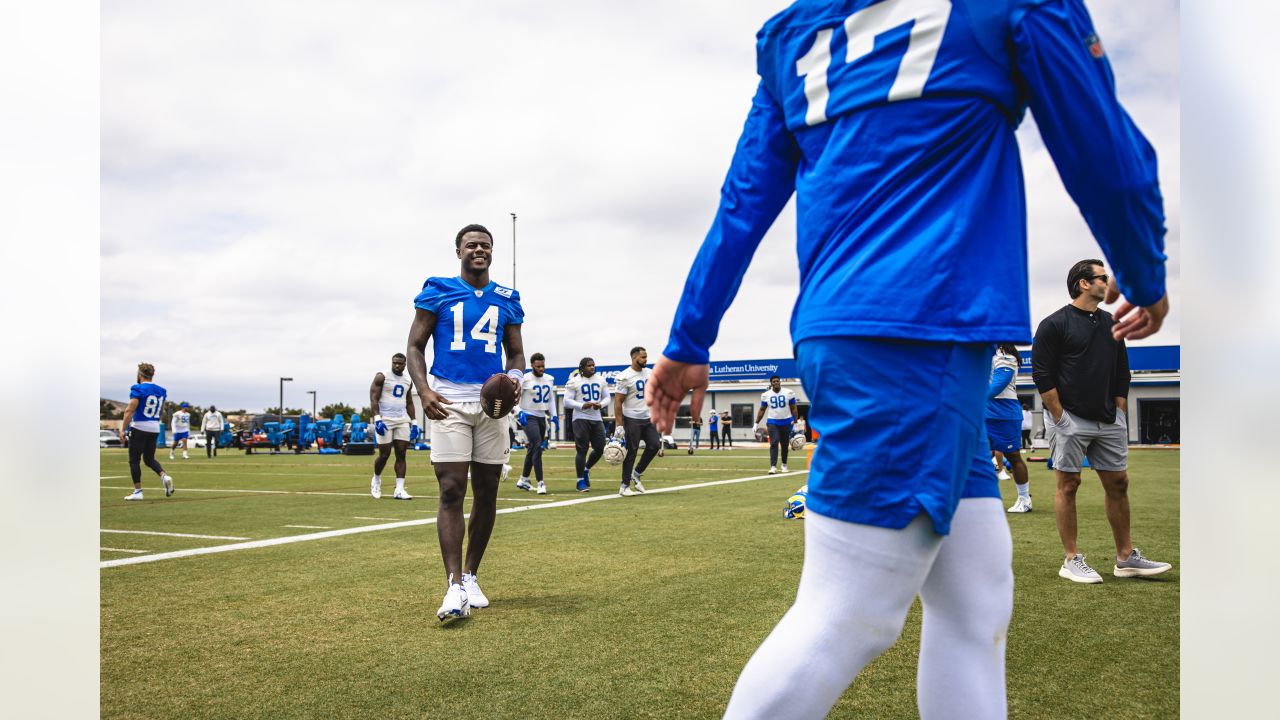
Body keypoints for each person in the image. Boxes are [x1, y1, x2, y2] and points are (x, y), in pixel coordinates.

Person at [644, 1, 1169, 716]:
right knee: (850, 611)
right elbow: (1105, 152)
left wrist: (689, 338)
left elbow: (743, 200)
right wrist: (1145, 272)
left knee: (977, 596)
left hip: (861, 331)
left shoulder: (798, 29)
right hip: (919, 333)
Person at [406, 223, 526, 622]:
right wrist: (423, 391)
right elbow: (415, 347)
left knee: (488, 490)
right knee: (452, 488)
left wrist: (515, 381)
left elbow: (515, 353)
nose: (479, 250)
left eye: (485, 246)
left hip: (491, 404)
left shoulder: (508, 298)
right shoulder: (437, 289)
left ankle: (472, 574)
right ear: (458, 251)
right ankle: (453, 585)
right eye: (472, 245)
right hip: (449, 399)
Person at [1033, 259, 1172, 584]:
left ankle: (1125, 558)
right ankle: (1071, 559)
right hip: (1070, 419)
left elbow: (1121, 371)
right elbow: (1042, 374)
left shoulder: (1112, 323)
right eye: (1101, 278)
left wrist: (1120, 412)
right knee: (1068, 485)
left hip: (1108, 420)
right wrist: (1059, 417)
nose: (1108, 283)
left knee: (1119, 484)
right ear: (1083, 283)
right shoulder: (1054, 324)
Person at [119, 362, 174, 500]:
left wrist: (123, 429)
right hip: (154, 427)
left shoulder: (138, 388)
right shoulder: (161, 390)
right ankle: (164, 476)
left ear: (140, 374)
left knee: (134, 460)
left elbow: (130, 409)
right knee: (149, 459)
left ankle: (138, 492)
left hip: (139, 427)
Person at [988, 344, 1032, 513]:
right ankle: (981, 499)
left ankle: (1024, 498)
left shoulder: (1005, 355)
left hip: (1003, 413)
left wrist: (971, 397)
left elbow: (998, 384)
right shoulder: (983, 351)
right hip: (982, 411)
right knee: (976, 456)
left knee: (1013, 456)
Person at [612, 346, 661, 497]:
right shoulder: (625, 376)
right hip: (631, 418)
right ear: (634, 358)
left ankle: (637, 472)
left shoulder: (650, 373)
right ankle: (624, 486)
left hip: (647, 417)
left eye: (646, 357)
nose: (646, 360)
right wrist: (619, 424)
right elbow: (618, 401)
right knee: (631, 452)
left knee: (654, 445)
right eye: (643, 357)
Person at [369, 352, 418, 500]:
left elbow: (409, 402)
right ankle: (376, 479)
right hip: (385, 420)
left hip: (402, 419)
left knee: (401, 453)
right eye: (394, 362)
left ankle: (399, 489)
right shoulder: (382, 376)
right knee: (384, 455)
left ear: (405, 364)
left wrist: (414, 422)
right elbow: (374, 398)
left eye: (400, 363)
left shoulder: (408, 380)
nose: (397, 365)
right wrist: (377, 418)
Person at [563, 357, 610, 492]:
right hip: (580, 417)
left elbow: (607, 397)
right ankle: (580, 481)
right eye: (589, 365)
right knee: (582, 449)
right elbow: (566, 401)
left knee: (600, 447)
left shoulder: (601, 380)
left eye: (593, 365)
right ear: (582, 368)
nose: (592, 367)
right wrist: (582, 405)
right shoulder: (574, 381)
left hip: (596, 417)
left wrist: (600, 404)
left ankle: (586, 469)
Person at [516, 352, 556, 495]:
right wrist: (518, 412)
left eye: (543, 366)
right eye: (538, 366)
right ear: (532, 365)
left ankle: (523, 479)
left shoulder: (549, 379)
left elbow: (551, 399)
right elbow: (515, 398)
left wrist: (554, 415)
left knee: (533, 447)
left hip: (541, 416)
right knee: (538, 446)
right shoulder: (524, 379)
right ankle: (540, 482)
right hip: (528, 415)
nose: (541, 369)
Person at [755, 375, 797, 474]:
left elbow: (794, 407)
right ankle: (773, 466)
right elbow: (762, 410)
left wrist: (795, 422)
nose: (776, 383)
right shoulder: (766, 395)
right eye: (774, 381)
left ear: (780, 382)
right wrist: (756, 423)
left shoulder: (788, 392)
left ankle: (784, 465)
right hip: (772, 421)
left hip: (786, 421)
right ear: (771, 383)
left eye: (777, 381)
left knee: (785, 444)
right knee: (774, 442)